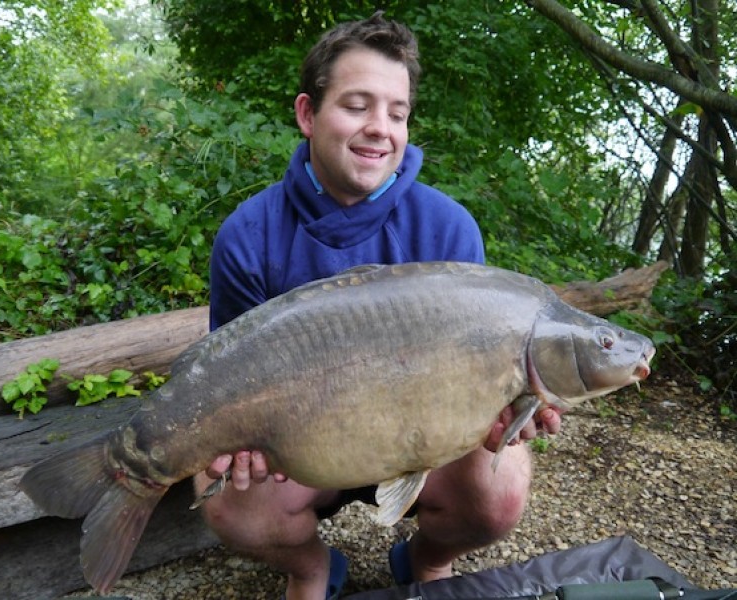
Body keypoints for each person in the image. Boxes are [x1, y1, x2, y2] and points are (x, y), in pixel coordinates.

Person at [194, 12, 562, 600]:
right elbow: (228, 377)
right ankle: (311, 569)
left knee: (501, 494)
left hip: (421, 438)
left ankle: (427, 558)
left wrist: (507, 411)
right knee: (231, 507)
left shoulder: (449, 231)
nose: (379, 128)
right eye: (357, 105)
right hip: (303, 447)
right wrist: (235, 443)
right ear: (307, 114)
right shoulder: (250, 234)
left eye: (396, 112)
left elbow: (479, 382)